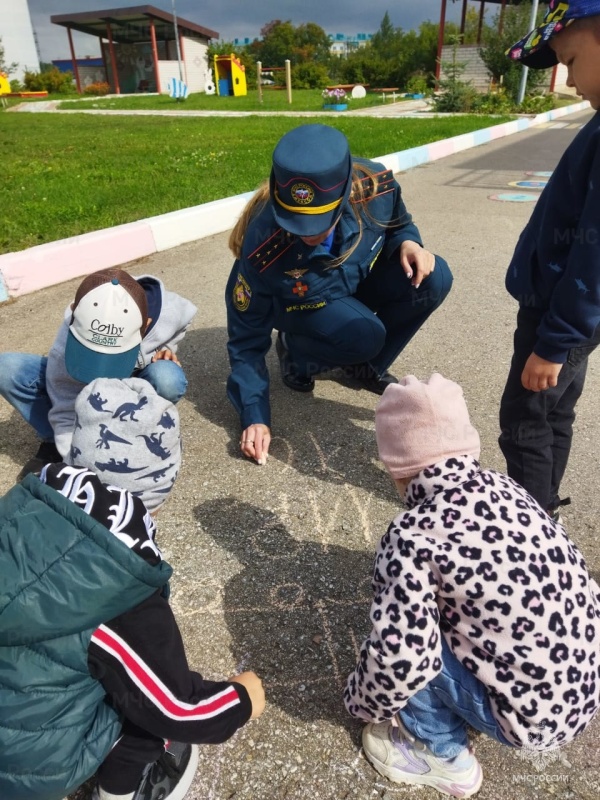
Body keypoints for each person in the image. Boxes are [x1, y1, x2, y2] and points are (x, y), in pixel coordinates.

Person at [0, 377, 265, 800]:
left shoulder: (20, 510)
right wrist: (242, 699)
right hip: (27, 767)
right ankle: (120, 791)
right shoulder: (120, 588)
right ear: (159, 489)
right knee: (144, 712)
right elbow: (177, 709)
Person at [345, 373, 600, 798]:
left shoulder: (412, 535)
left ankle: (442, 755)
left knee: (408, 643)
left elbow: (402, 655)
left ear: (397, 468)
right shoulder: (509, 488)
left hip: (533, 720)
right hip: (585, 684)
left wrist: (362, 702)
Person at [225, 123, 453, 466]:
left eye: (321, 222)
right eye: (296, 223)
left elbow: (399, 223)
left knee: (434, 279)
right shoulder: (263, 247)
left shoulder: (376, 186)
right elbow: (245, 339)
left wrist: (409, 243)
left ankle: (363, 367)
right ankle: (296, 354)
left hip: (351, 285)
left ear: (347, 193)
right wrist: (254, 414)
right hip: (304, 308)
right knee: (365, 334)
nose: (308, 235)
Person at [499, 0, 600, 521]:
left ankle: (530, 533)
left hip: (559, 315)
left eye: (572, 59)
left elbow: (594, 255)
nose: (569, 78)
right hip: (572, 316)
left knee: (524, 423)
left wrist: (554, 342)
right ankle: (546, 518)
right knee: (555, 414)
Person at [0, 267, 197, 480]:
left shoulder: (172, 310)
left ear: (145, 325)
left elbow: (182, 325)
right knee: (7, 368)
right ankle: (54, 442)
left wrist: (164, 349)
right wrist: (77, 461)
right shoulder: (71, 331)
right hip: (79, 391)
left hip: (134, 382)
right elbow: (65, 408)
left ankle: (137, 433)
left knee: (167, 378)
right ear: (74, 312)